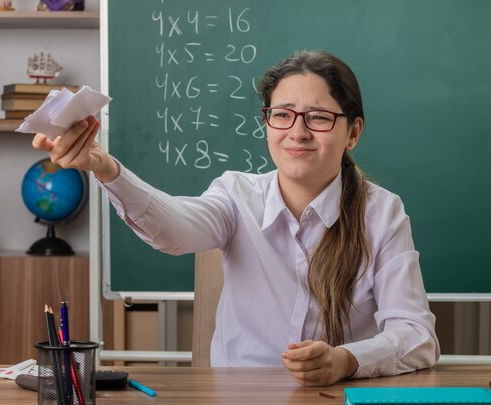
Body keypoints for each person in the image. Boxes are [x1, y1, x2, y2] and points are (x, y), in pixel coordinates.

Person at [32, 50, 440, 386]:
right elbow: (173, 229)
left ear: (353, 132)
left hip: (337, 402)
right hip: (236, 402)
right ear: (268, 121)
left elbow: (417, 336)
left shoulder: (381, 212)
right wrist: (106, 168)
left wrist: (346, 360)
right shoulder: (235, 194)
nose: (297, 132)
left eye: (319, 117)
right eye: (283, 114)